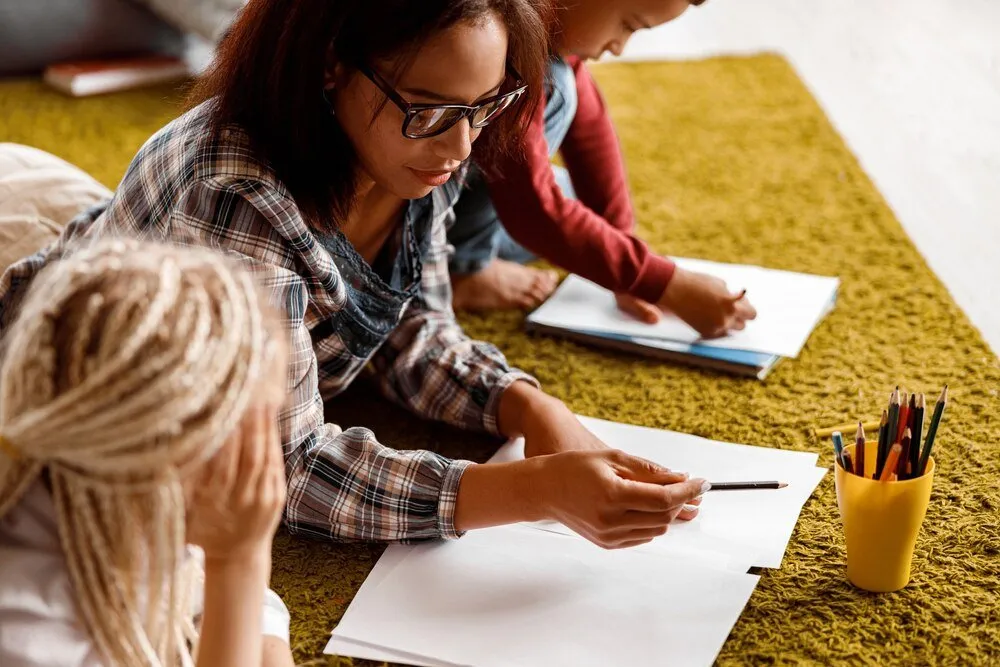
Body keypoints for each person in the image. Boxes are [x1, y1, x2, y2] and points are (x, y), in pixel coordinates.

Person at [0, 0, 708, 551]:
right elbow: (286, 473)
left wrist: (530, 408)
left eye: (483, 107)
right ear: (332, 66)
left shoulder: (417, 147)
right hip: (74, 361)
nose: (462, 146)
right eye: (431, 110)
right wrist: (524, 491)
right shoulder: (237, 201)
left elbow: (408, 326)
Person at [0, 239, 295, 667]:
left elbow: (199, 586)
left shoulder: (108, 495)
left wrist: (259, 630)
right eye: (252, 432)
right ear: (163, 448)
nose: (267, 458)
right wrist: (240, 562)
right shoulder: (27, 635)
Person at [448, 0, 759, 339]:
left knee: (571, 201)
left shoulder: (539, 24)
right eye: (628, 25)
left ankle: (468, 249)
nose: (620, 47)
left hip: (474, 202)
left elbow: (590, 132)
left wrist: (624, 245)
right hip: (416, 222)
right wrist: (665, 284)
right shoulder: (501, 42)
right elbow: (532, 211)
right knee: (555, 85)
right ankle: (462, 267)